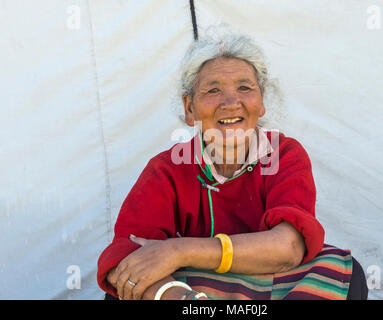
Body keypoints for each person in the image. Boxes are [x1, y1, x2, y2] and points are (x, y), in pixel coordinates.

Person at [97, 26, 368, 301]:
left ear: (261, 103)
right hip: (197, 294)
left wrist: (177, 250)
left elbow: (289, 246)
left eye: (244, 87)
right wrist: (183, 299)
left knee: (341, 271)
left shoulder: (284, 154)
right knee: (129, 282)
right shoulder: (167, 169)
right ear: (189, 108)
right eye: (213, 90)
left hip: (270, 285)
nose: (230, 102)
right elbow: (122, 255)